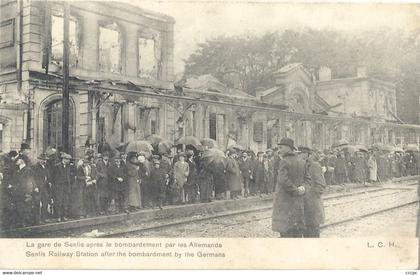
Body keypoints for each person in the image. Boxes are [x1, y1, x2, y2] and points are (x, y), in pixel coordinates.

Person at [272, 137, 310, 238]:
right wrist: (303, 188)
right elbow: (308, 180)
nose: (279, 150)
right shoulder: (302, 161)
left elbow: (283, 180)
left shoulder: (284, 161)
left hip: (285, 204)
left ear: (288, 148)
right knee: (297, 232)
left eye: (281, 147)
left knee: (286, 234)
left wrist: (295, 190)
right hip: (298, 204)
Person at [298, 146, 326, 238]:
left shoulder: (315, 166)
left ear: (306, 154)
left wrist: (308, 194)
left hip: (312, 208)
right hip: (302, 208)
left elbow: (321, 186)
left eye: (300, 153)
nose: (298, 156)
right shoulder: (299, 166)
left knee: (313, 235)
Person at [14, 156, 35, 227]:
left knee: (25, 208)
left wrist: (28, 194)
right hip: (18, 193)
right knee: (20, 207)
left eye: (18, 159)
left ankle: (25, 222)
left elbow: (30, 183)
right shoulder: (19, 170)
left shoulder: (27, 170)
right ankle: (21, 222)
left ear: (22, 161)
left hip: (24, 193)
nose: (17, 160)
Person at [51, 153, 72, 222]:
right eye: (68, 159)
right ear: (64, 159)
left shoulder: (68, 166)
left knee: (65, 202)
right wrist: (55, 186)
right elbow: (53, 177)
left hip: (66, 187)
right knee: (58, 202)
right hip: (59, 187)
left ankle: (64, 216)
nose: (69, 161)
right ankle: (58, 216)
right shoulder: (57, 166)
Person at [32, 153, 52, 224]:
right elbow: (32, 178)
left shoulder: (46, 167)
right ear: (39, 159)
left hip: (45, 188)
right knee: (37, 203)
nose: (44, 161)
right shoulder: (35, 167)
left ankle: (44, 218)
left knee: (45, 202)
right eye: (43, 160)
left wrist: (49, 182)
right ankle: (37, 220)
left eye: (45, 160)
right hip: (38, 188)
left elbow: (47, 176)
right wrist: (35, 187)